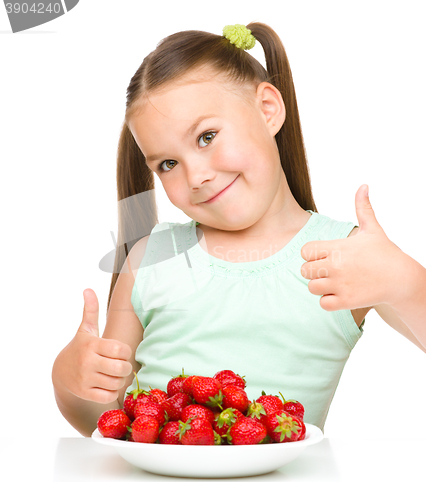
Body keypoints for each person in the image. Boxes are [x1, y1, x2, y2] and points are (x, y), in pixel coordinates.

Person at [52, 23, 426, 438]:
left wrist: (405, 282)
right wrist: (69, 382)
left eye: (207, 137)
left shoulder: (343, 255)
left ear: (267, 109)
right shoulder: (151, 257)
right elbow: (105, 420)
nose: (195, 176)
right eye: (167, 164)